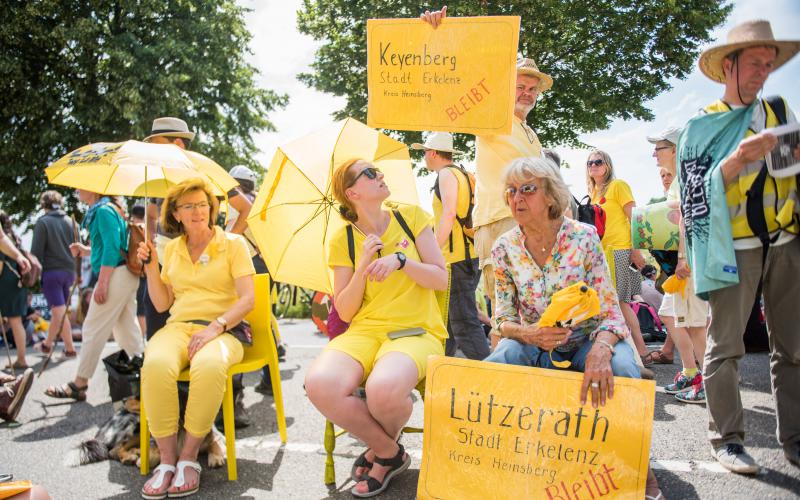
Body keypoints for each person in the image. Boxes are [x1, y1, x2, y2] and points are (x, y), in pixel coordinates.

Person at [483, 157, 662, 498]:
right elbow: (502, 318)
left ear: (551, 195)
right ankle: (501, 470)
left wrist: (602, 348)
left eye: (527, 189)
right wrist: (528, 333)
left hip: (587, 338)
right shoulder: (504, 247)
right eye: (510, 192)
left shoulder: (584, 238)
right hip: (533, 341)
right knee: (493, 372)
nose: (516, 198)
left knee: (622, 369)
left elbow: (611, 310)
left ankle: (642, 474)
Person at [689, 20, 800, 473]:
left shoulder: (780, 110)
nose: (763, 72)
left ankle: (794, 438)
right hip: (732, 248)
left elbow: (792, 173)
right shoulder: (705, 125)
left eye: (769, 65)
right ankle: (727, 440)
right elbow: (695, 193)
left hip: (787, 242)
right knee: (725, 347)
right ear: (728, 66)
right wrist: (738, 158)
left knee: (793, 346)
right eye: (755, 63)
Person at [304, 159, 448, 497]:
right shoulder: (344, 239)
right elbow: (345, 308)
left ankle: (379, 455)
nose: (380, 175)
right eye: (370, 174)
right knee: (318, 384)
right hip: (365, 332)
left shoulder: (410, 217)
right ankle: (388, 452)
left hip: (416, 330)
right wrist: (362, 265)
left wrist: (402, 261)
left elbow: (440, 278)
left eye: (378, 170)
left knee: (384, 390)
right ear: (352, 192)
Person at [423, 7, 552, 348]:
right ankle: (507, 377)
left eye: (532, 89)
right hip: (500, 222)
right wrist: (438, 35)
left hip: (530, 223)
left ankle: (524, 377)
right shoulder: (490, 116)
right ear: (506, 88)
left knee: (532, 307)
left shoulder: (530, 133)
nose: (527, 93)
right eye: (520, 86)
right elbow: (452, 85)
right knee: (506, 311)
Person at [137, 178, 255, 498]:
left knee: (209, 366)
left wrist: (215, 327)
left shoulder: (233, 243)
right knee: (156, 364)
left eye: (203, 204)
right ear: (175, 214)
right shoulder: (172, 249)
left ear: (212, 209)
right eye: (188, 206)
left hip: (224, 328)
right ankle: (166, 462)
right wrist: (149, 268)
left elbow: (247, 299)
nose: (197, 211)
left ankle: (188, 458)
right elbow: (162, 304)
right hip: (179, 326)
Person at [44, 189, 143, 401]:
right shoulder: (110, 209)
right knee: (127, 332)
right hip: (123, 274)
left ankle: (79, 384)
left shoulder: (103, 211)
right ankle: (146, 379)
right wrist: (85, 250)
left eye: (80, 186)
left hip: (115, 274)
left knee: (92, 328)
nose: (77, 190)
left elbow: (112, 247)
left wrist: (103, 282)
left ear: (93, 189)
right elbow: (112, 245)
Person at [645, 127, 710, 404]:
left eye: (659, 148)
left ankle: (710, 382)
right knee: (679, 318)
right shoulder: (678, 180)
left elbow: (689, 220)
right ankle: (694, 373)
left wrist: (683, 258)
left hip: (692, 261)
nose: (654, 153)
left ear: (675, 149)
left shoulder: (686, 177)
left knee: (696, 325)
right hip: (689, 261)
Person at [412, 132, 488, 360]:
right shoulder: (462, 173)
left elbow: (449, 213)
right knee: (447, 321)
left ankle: (489, 373)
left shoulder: (445, 174)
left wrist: (433, 251)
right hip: (469, 254)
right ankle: (437, 372)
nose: (424, 156)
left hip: (455, 258)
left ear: (434, 153)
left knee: (462, 322)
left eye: (425, 152)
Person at [586, 150, 653, 378]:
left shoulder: (618, 186)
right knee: (617, 304)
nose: (593, 166)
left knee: (619, 304)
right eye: (590, 163)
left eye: (598, 161)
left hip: (620, 251)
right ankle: (638, 353)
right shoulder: (593, 193)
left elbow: (634, 218)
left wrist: (636, 250)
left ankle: (640, 353)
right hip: (603, 254)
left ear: (607, 165)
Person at [30, 190, 77, 357]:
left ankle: (70, 349)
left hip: (52, 273)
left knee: (59, 311)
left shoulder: (43, 222)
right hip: (69, 271)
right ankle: (47, 345)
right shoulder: (71, 222)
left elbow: (35, 253)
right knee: (60, 311)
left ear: (44, 205)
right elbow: (78, 249)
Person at [0, 212, 32, 372]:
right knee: (16, 321)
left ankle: (21, 359)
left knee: (13, 321)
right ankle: (21, 358)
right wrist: (19, 257)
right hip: (18, 284)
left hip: (6, 284)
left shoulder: (6, 239)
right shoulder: (15, 238)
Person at [130, 205, 148, 338]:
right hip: (148, 270)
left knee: (138, 308)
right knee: (143, 306)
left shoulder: (133, 228)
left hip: (135, 271)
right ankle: (143, 338)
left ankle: (141, 338)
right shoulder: (149, 228)